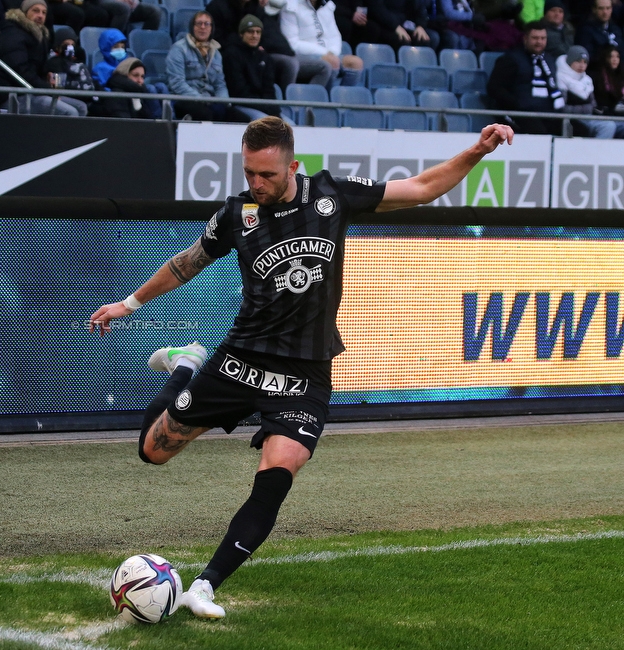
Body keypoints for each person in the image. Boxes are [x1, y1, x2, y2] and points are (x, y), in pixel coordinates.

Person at [88, 116, 514, 619]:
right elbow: (188, 262)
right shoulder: (236, 214)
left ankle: (204, 585)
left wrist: (478, 151)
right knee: (151, 452)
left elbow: (421, 188)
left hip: (304, 372)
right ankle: (186, 364)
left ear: (292, 166)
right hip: (241, 358)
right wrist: (130, 303)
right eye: (248, 172)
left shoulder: (331, 195)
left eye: (266, 174)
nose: (255, 184)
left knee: (279, 469)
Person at [0, 0, 86, 114]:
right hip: (11, 96)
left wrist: (45, 76)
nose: (40, 16)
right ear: (24, 13)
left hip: (29, 91)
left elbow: (33, 68)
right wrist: (47, 89)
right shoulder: (13, 34)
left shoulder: (36, 35)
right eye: (36, 11)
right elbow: (21, 71)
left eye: (44, 12)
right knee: (70, 112)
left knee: (81, 107)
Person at [166, 10, 252, 122]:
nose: (203, 27)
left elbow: (220, 84)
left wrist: (224, 103)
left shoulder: (216, 53)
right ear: (192, 27)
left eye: (207, 24)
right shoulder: (179, 49)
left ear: (211, 28)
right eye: (199, 23)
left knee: (241, 118)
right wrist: (201, 99)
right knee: (205, 114)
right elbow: (177, 83)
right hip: (184, 99)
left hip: (209, 101)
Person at [487, 21, 566, 135]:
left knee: (579, 130)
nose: (539, 42)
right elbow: (494, 88)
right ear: (525, 39)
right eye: (535, 38)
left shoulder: (549, 60)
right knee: (539, 133)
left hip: (548, 114)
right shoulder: (511, 59)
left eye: (543, 38)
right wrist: (518, 105)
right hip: (520, 114)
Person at [279, 0, 363, 87]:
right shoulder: (290, 6)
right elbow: (292, 43)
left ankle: (342, 97)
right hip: (302, 55)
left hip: (328, 55)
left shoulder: (327, 6)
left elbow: (334, 36)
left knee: (356, 62)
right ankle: (325, 97)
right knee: (332, 61)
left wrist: (333, 52)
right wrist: (324, 53)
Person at [222, 15, 285, 119]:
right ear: (241, 33)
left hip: (264, 107)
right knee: (266, 126)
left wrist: (273, 110)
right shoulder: (231, 55)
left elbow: (269, 89)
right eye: (250, 31)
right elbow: (239, 91)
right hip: (242, 105)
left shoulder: (265, 57)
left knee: (290, 126)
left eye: (258, 32)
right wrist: (267, 109)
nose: (255, 35)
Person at [556, 44, 624, 134]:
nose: (582, 65)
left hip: (589, 117)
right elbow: (561, 107)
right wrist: (586, 108)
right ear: (570, 61)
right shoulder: (560, 78)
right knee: (607, 127)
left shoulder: (587, 79)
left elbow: (593, 104)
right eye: (578, 61)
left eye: (585, 62)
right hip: (573, 120)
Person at [42, 26, 97, 115]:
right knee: (80, 107)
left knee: (86, 107)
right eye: (66, 45)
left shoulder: (76, 61)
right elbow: (58, 84)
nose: (70, 48)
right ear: (58, 46)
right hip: (59, 95)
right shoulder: (53, 62)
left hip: (75, 95)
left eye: (72, 45)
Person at [589, 44, 624, 113]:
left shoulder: (621, 75)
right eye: (611, 56)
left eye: (617, 57)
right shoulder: (597, 76)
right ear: (605, 58)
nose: (615, 60)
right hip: (604, 113)